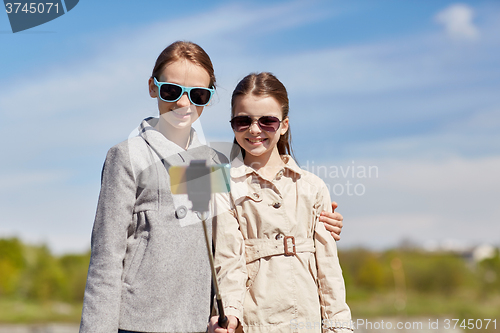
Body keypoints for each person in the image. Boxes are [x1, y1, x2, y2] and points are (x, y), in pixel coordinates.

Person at [79, 41, 344, 333]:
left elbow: (237, 232)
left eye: (198, 94)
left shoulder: (214, 162)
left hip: (202, 323)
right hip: (139, 323)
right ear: (153, 88)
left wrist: (320, 220)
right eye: (171, 90)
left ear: (209, 97)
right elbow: (106, 260)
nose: (183, 103)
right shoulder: (128, 156)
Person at [210, 73, 352, 333]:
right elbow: (229, 261)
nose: (254, 130)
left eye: (267, 121)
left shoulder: (313, 187)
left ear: (284, 125)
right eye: (243, 121)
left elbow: (329, 271)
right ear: (232, 124)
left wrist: (339, 327)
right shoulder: (221, 183)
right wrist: (229, 315)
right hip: (252, 323)